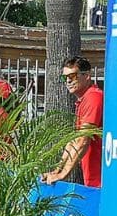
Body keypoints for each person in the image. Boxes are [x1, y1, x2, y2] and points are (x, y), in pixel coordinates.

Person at [42, 56, 103, 187]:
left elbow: (83, 140)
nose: (68, 81)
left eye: (73, 76)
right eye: (65, 77)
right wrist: (56, 170)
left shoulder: (93, 98)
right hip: (93, 179)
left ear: (86, 76)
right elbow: (73, 141)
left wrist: (63, 175)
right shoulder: (84, 100)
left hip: (101, 180)